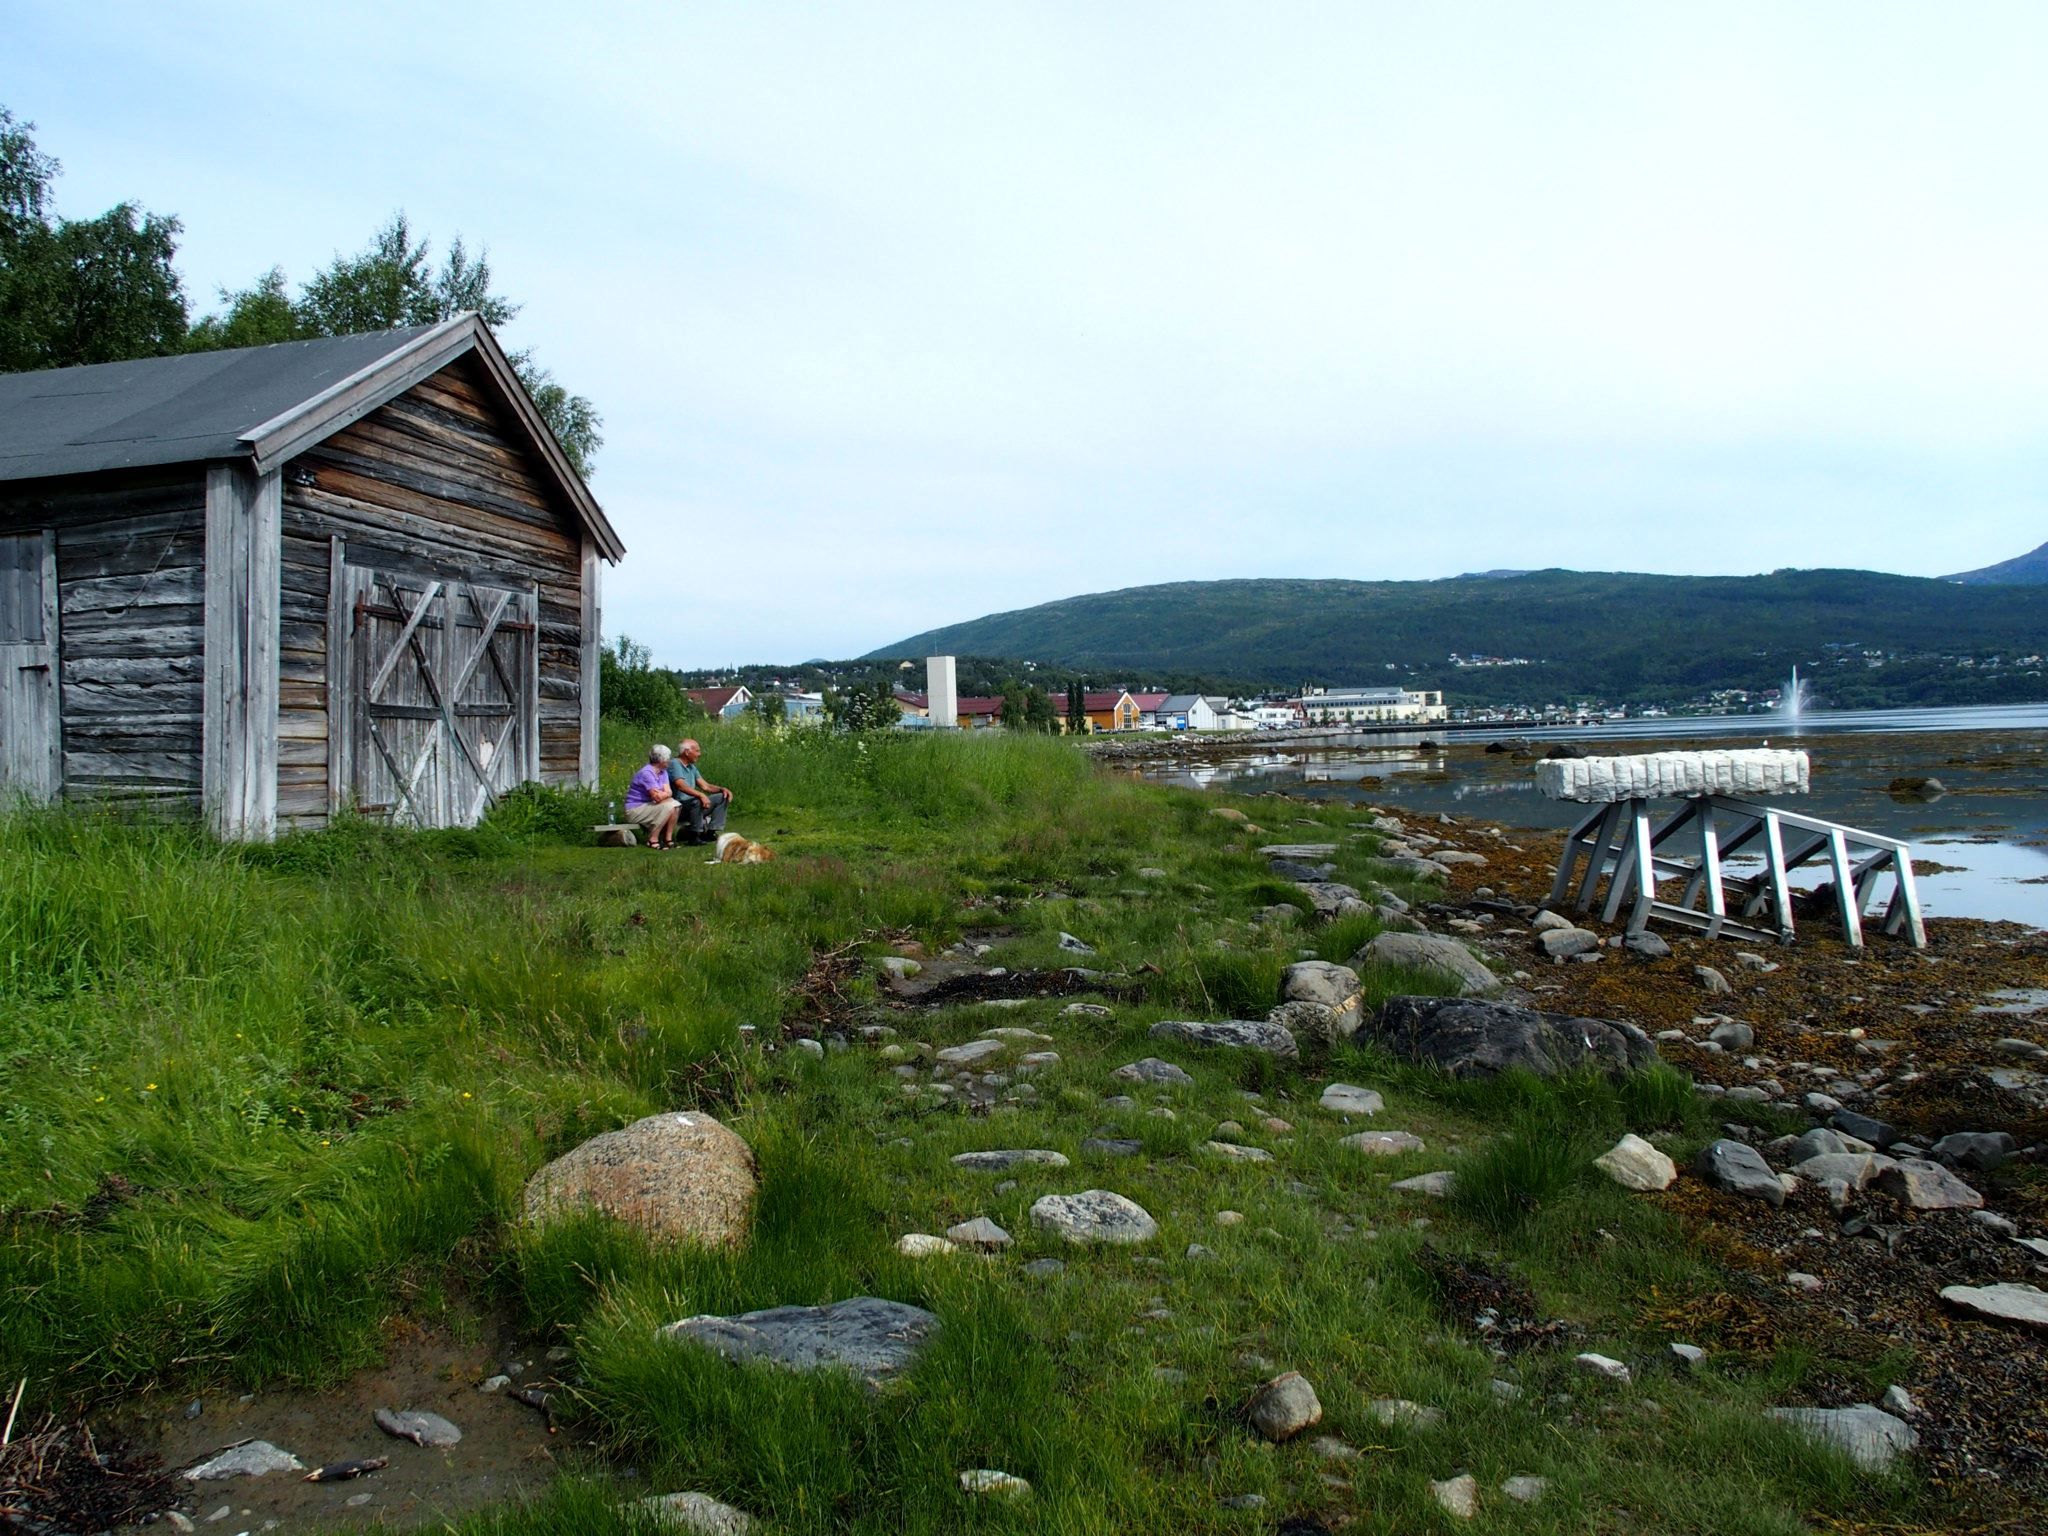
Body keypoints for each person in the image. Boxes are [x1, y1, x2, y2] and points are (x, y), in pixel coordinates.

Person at [669, 737, 733, 844]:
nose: (699, 754)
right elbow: (681, 786)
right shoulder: (674, 764)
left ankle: (710, 832)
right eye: (697, 751)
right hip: (679, 808)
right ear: (687, 752)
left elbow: (706, 786)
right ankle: (694, 836)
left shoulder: (691, 767)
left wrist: (722, 789)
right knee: (697, 800)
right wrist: (701, 795)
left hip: (694, 805)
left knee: (723, 796)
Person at [624, 744, 681, 850]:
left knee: (675, 805)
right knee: (670, 806)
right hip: (636, 809)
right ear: (661, 760)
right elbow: (657, 797)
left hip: (650, 805)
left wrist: (665, 794)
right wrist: (666, 794)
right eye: (668, 758)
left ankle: (668, 839)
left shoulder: (663, 772)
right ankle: (653, 839)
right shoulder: (647, 773)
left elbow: (669, 792)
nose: (669, 760)